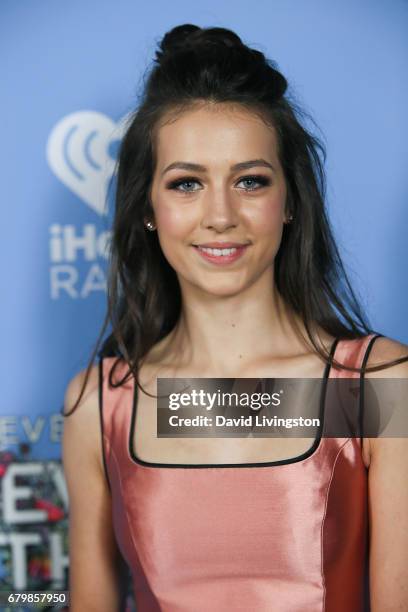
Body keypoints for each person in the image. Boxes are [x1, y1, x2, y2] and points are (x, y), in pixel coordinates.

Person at [62, 24, 408, 612]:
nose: (220, 215)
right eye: (187, 183)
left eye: (250, 180)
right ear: (148, 207)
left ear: (291, 200)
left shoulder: (378, 385)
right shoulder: (102, 405)